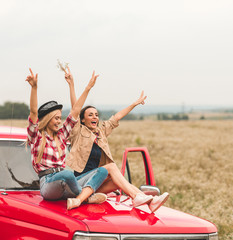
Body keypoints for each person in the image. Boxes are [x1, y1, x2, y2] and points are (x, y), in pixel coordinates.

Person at [64, 72, 169, 213]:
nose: (95, 117)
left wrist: (134, 104)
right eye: (90, 115)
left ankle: (146, 199)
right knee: (112, 167)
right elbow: (75, 109)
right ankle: (137, 197)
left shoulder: (101, 133)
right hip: (80, 183)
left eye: (96, 114)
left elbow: (116, 117)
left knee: (116, 182)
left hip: (95, 184)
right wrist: (75, 85)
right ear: (83, 120)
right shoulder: (78, 131)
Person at [26, 67, 108, 210]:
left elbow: (76, 110)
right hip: (49, 184)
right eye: (56, 118)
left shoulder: (62, 135)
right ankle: (86, 197)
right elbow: (33, 113)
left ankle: (78, 198)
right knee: (67, 174)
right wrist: (34, 87)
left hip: (68, 184)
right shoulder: (37, 136)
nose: (59, 121)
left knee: (102, 171)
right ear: (48, 119)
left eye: (60, 118)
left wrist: (87, 87)